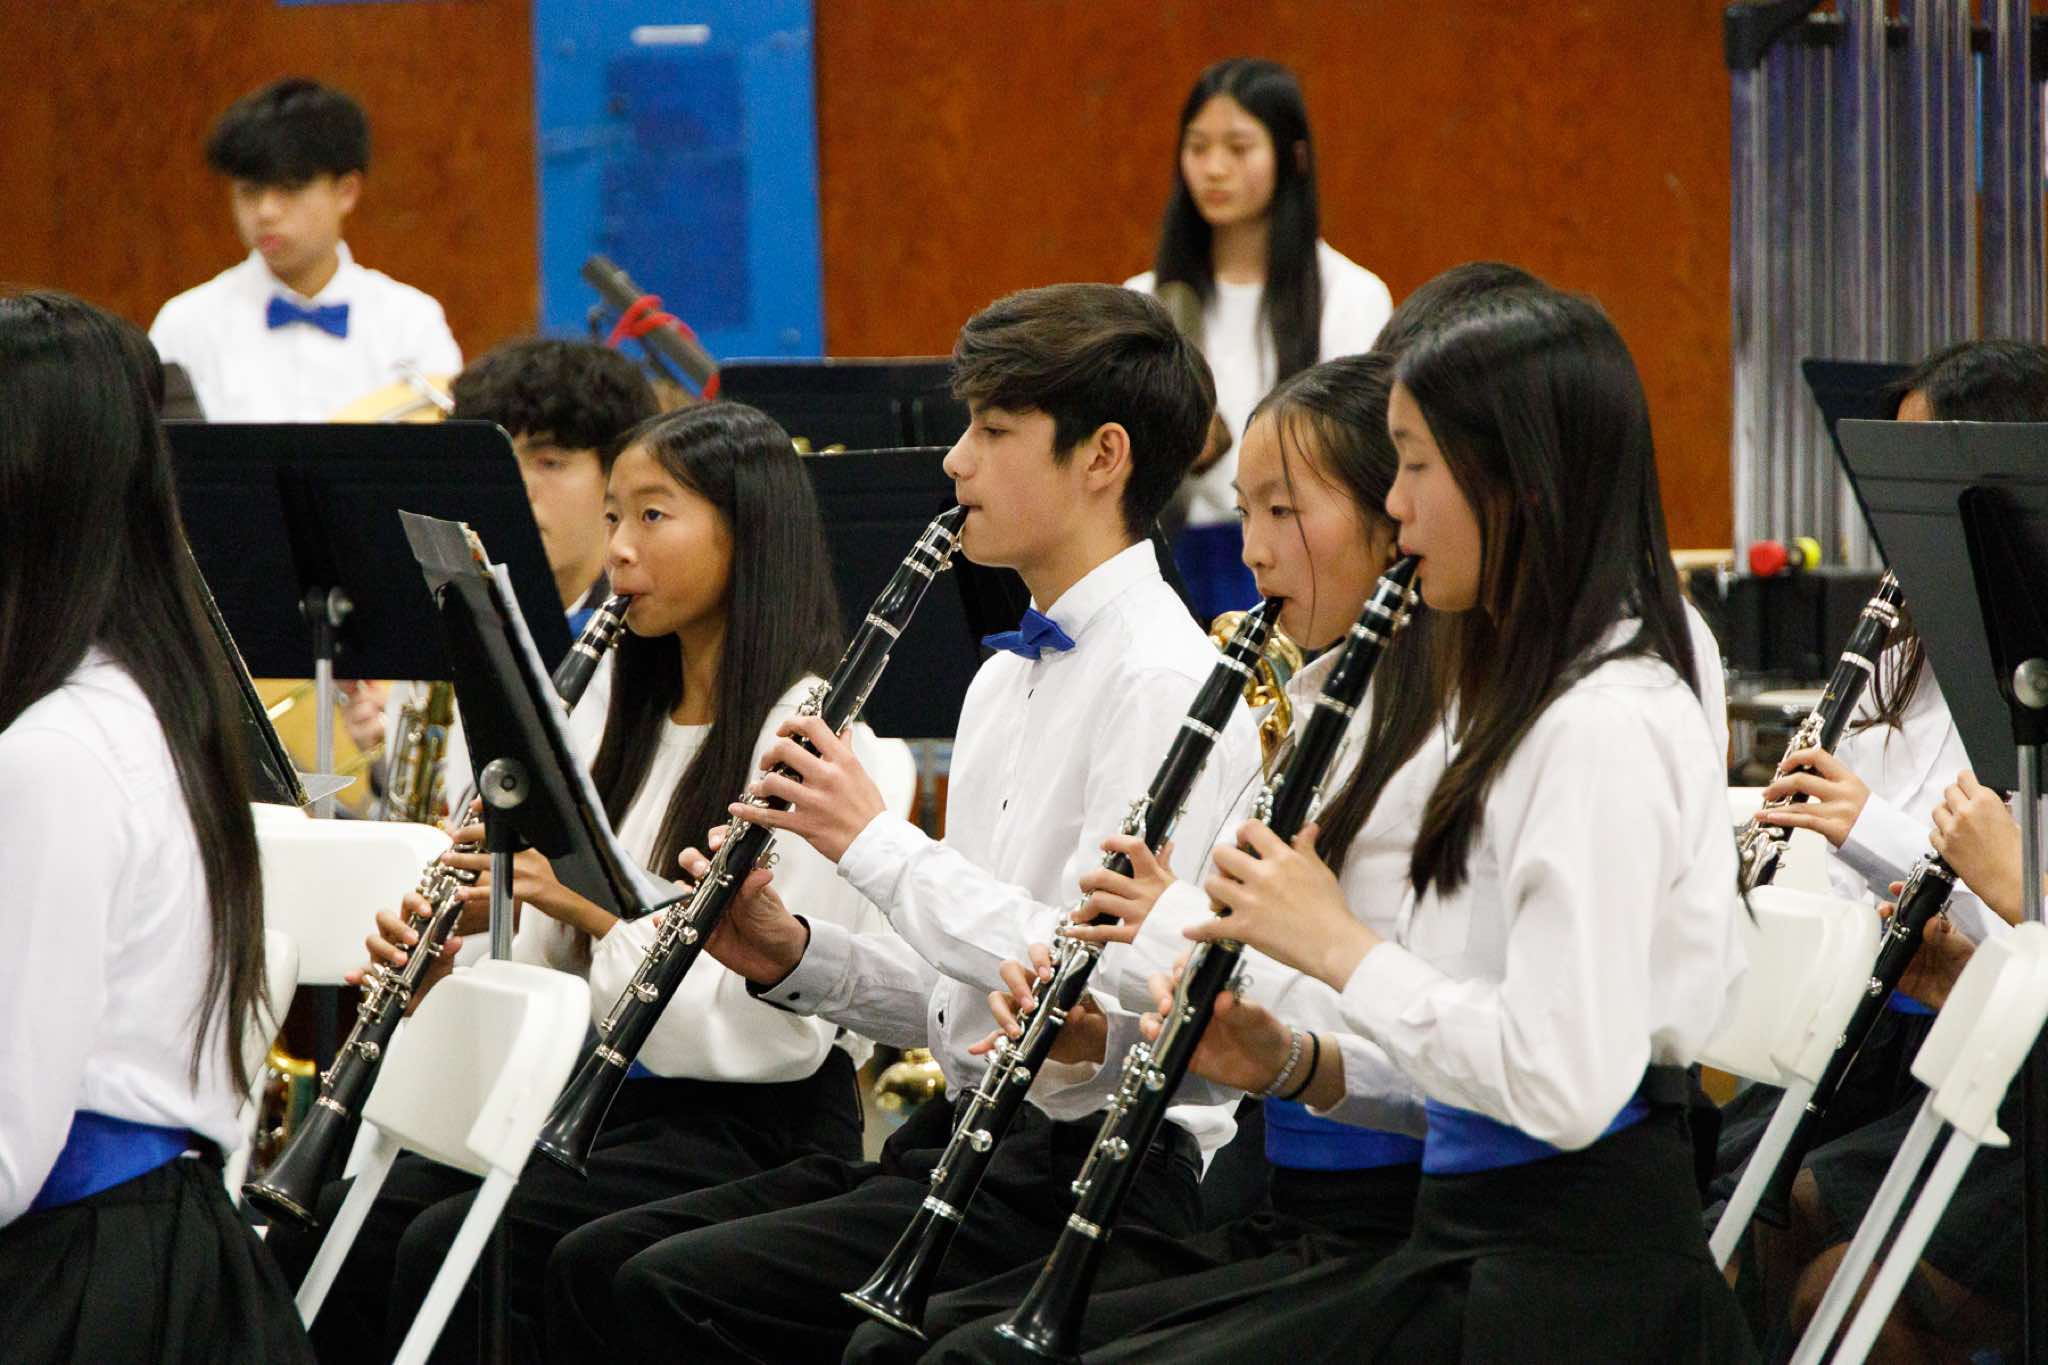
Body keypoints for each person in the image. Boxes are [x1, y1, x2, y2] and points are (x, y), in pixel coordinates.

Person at [542, 282, 1260, 1365]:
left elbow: (1097, 981)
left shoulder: (1165, 682)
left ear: (1102, 457)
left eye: (993, 431)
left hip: (1107, 1170)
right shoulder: (998, 682)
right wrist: (791, 955)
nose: (954, 461)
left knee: (676, 1291)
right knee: (604, 1263)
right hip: (973, 1140)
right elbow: (954, 999)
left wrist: (873, 843)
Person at [1071, 286, 1756, 1362]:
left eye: (1414, 465)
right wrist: (1296, 1063)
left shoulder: (1603, 726)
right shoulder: (1520, 708)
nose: (1393, 506)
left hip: (1572, 1293)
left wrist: (1339, 947)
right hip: (1473, 1247)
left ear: (1514, 481)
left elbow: (1556, 1088)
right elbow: (1470, 1077)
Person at [264, 403, 895, 1365]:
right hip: (597, 1102)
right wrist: (467, 953)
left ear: (747, 533)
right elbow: (567, 972)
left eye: (652, 516)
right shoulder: (614, 719)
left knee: (455, 1252)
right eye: (611, 518)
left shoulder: (821, 745)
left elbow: (772, 1033)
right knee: (339, 1232)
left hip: (747, 1126)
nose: (618, 551)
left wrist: (582, 898)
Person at [0, 290, 313, 1363]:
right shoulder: (146, 700)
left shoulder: (60, 752)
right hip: (150, 1257)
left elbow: (9, 1150)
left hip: (90, 1278)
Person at [338, 337, 661, 817]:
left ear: (619, 480)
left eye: (549, 462)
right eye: (497, 461)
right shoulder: (448, 619)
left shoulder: (656, 642)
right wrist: (388, 772)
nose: (518, 486)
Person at [1125, 57, 1392, 619]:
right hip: (1169, 566)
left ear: (1293, 157)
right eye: (1198, 148)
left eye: (1239, 148)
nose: (1214, 168)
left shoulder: (1351, 296)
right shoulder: (1144, 299)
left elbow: (1356, 461)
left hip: (1305, 566)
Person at [149, 78, 461, 421]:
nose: (266, 212)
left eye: (289, 188)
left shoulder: (410, 323)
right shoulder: (185, 325)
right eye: (250, 191)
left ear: (346, 192)